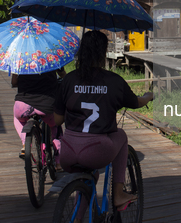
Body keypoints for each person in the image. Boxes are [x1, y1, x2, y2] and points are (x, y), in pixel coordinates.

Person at [54, 31, 153, 211]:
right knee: (121, 135)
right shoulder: (114, 81)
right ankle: (118, 194)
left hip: (67, 152)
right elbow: (136, 102)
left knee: (86, 178)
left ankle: (76, 219)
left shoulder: (68, 80)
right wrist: (148, 96)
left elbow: (57, 119)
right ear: (103, 52)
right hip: (96, 151)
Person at [12, 67, 66, 165]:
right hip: (47, 105)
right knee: (55, 126)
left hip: (23, 106)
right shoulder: (52, 57)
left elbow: (14, 82)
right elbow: (64, 77)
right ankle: (58, 162)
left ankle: (25, 143)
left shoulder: (20, 60)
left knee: (18, 119)